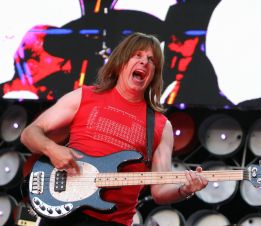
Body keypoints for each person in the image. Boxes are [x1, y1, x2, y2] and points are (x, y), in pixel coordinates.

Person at [20, 32, 208, 226]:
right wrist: (53, 150)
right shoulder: (84, 96)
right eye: (137, 55)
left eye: (151, 60)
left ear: (154, 74)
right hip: (65, 212)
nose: (144, 62)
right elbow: (29, 134)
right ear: (121, 62)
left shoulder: (162, 126)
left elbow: (160, 191)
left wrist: (185, 190)